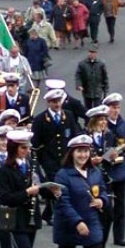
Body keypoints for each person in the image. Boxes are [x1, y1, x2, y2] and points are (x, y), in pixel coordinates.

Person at [53, 134, 123, 248]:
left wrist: (102, 201)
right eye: (79, 152)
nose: (83, 155)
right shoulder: (63, 175)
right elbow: (63, 202)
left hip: (91, 218)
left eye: (85, 151)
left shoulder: (95, 172)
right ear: (72, 153)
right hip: (69, 222)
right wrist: (77, 222)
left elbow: (104, 191)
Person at [32, 89, 81, 223]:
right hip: (49, 160)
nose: (57, 104)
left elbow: (74, 135)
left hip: (66, 158)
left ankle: (48, 214)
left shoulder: (69, 116)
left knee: (66, 185)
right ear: (48, 103)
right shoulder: (40, 119)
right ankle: (60, 215)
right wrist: (41, 160)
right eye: (54, 102)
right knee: (56, 187)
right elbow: (35, 144)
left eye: (59, 101)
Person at [103, 93, 125, 247]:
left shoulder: (124, 125)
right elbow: (98, 149)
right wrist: (110, 154)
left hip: (120, 169)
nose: (115, 111)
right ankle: (102, 235)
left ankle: (119, 236)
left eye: (117, 107)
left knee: (120, 205)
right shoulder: (102, 125)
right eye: (112, 108)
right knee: (106, 205)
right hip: (107, 170)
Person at [84, 105, 116, 248]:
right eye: (100, 120)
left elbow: (112, 153)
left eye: (105, 119)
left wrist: (112, 156)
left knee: (108, 215)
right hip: (89, 180)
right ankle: (92, 246)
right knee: (92, 214)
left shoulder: (108, 135)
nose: (104, 122)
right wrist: (90, 161)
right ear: (93, 121)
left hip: (105, 180)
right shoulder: (85, 136)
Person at [75, 45, 109, 109]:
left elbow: (105, 78)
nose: (92, 54)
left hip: (97, 91)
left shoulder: (101, 64)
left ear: (96, 53)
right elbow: (78, 75)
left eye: (93, 52)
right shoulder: (82, 64)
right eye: (90, 52)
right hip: (87, 90)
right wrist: (79, 85)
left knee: (97, 108)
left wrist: (106, 90)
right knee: (88, 109)